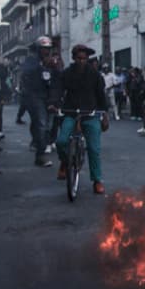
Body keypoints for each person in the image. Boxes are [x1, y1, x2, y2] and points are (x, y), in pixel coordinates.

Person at [51, 44, 109, 194]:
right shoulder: (67, 73)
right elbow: (58, 89)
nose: (81, 61)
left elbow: (101, 95)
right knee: (61, 141)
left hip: (90, 113)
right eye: (79, 58)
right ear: (74, 58)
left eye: (84, 58)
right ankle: (65, 162)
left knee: (94, 149)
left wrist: (104, 113)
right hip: (70, 112)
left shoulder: (95, 75)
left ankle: (97, 180)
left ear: (87, 59)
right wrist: (54, 104)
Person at [20, 37, 57, 167]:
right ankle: (40, 155)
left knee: (49, 124)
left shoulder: (53, 61)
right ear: (38, 49)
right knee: (41, 123)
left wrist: (55, 67)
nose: (46, 51)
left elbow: (57, 77)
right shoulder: (31, 61)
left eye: (48, 49)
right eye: (43, 49)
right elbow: (26, 73)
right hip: (35, 96)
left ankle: (41, 142)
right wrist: (41, 66)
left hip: (49, 96)